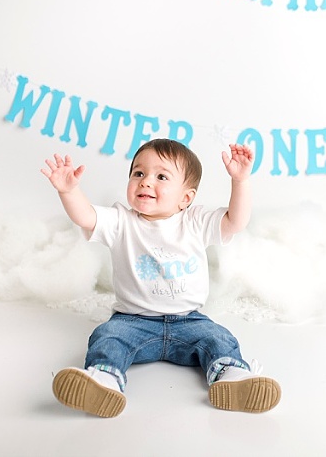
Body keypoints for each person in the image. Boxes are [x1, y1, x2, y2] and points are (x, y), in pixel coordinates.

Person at [40, 139, 281, 418]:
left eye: (161, 176)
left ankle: (233, 376)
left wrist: (240, 181)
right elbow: (86, 217)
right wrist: (69, 191)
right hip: (133, 320)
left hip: (189, 320)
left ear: (186, 198)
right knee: (107, 337)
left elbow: (236, 222)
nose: (145, 182)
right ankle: (104, 379)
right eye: (138, 173)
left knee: (218, 337)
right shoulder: (121, 221)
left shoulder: (195, 221)